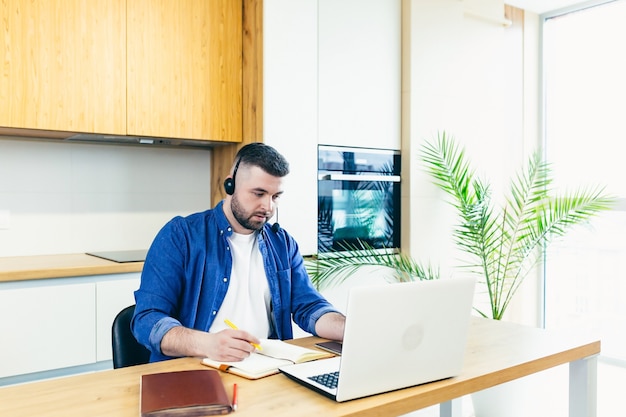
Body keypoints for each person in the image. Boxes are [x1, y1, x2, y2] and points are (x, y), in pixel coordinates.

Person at [132, 142, 345, 362]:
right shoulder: (181, 236)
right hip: (194, 369)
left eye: (275, 196)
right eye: (258, 193)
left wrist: (348, 327)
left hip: (265, 369)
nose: (268, 207)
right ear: (230, 185)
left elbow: (309, 306)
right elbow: (147, 319)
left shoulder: (283, 244)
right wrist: (207, 344)